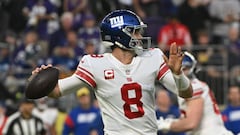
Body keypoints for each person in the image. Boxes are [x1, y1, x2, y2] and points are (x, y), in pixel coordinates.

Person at [32, 10, 193, 135]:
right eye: (134, 32)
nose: (139, 36)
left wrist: (178, 74)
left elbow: (186, 93)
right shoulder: (94, 64)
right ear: (120, 34)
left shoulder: (153, 56)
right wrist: (38, 80)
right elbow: (57, 91)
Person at [157, 52, 233, 135]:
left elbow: (191, 123)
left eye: (185, 69)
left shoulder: (194, 86)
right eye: (179, 68)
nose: (181, 72)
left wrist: (167, 125)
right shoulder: (194, 86)